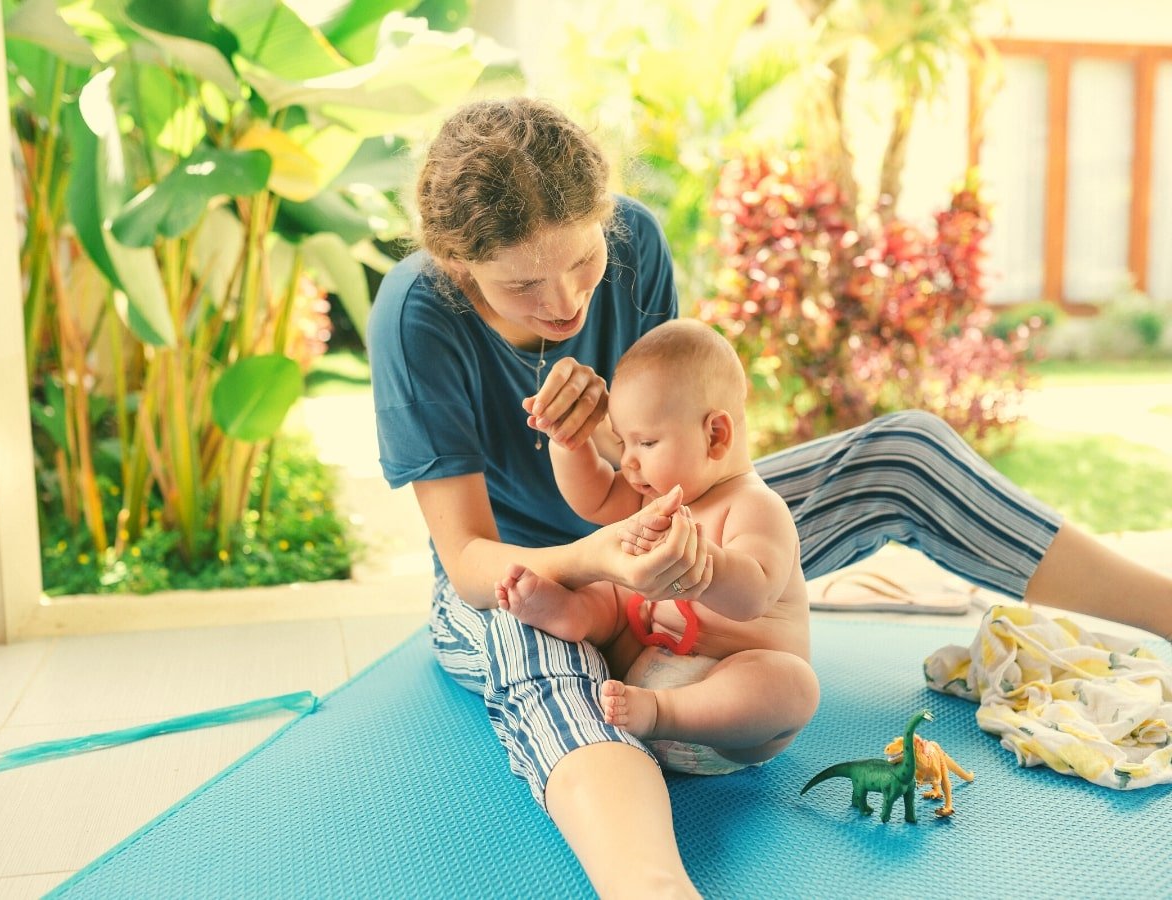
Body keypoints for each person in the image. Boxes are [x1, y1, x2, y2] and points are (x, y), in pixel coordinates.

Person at [369, 96, 1172, 899]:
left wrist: (607, 454)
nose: (566, 303)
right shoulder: (417, 315)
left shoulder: (635, 242)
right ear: (456, 262)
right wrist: (596, 560)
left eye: (582, 264)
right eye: (523, 286)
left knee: (905, 451)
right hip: (523, 573)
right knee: (540, 640)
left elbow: (669, 449)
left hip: (659, 525)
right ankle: (651, 887)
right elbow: (470, 560)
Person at [495, 318, 818, 776]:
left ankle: (662, 712)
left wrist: (702, 566)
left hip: (725, 716)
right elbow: (595, 497)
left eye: (646, 442)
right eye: (623, 441)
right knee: (615, 588)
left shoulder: (754, 507)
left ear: (716, 435)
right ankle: (572, 614)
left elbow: (754, 596)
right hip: (638, 674)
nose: (627, 460)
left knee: (794, 687)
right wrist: (570, 444)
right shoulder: (650, 496)